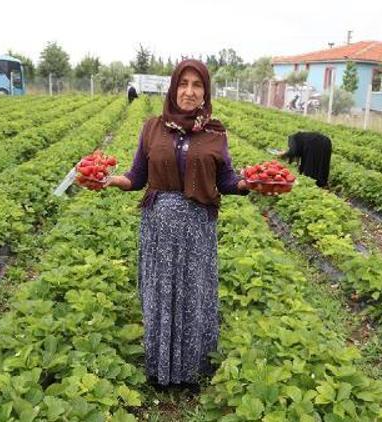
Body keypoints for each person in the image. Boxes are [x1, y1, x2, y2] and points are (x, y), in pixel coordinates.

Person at [105, 60, 250, 388]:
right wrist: (111, 180)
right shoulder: (152, 127)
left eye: (196, 85)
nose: (189, 91)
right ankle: (160, 370)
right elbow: (137, 177)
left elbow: (227, 179)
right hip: (158, 228)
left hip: (197, 229)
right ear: (173, 88)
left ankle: (191, 371)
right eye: (182, 84)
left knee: (193, 297)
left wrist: (249, 183)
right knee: (160, 296)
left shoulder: (216, 131)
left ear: (205, 91)